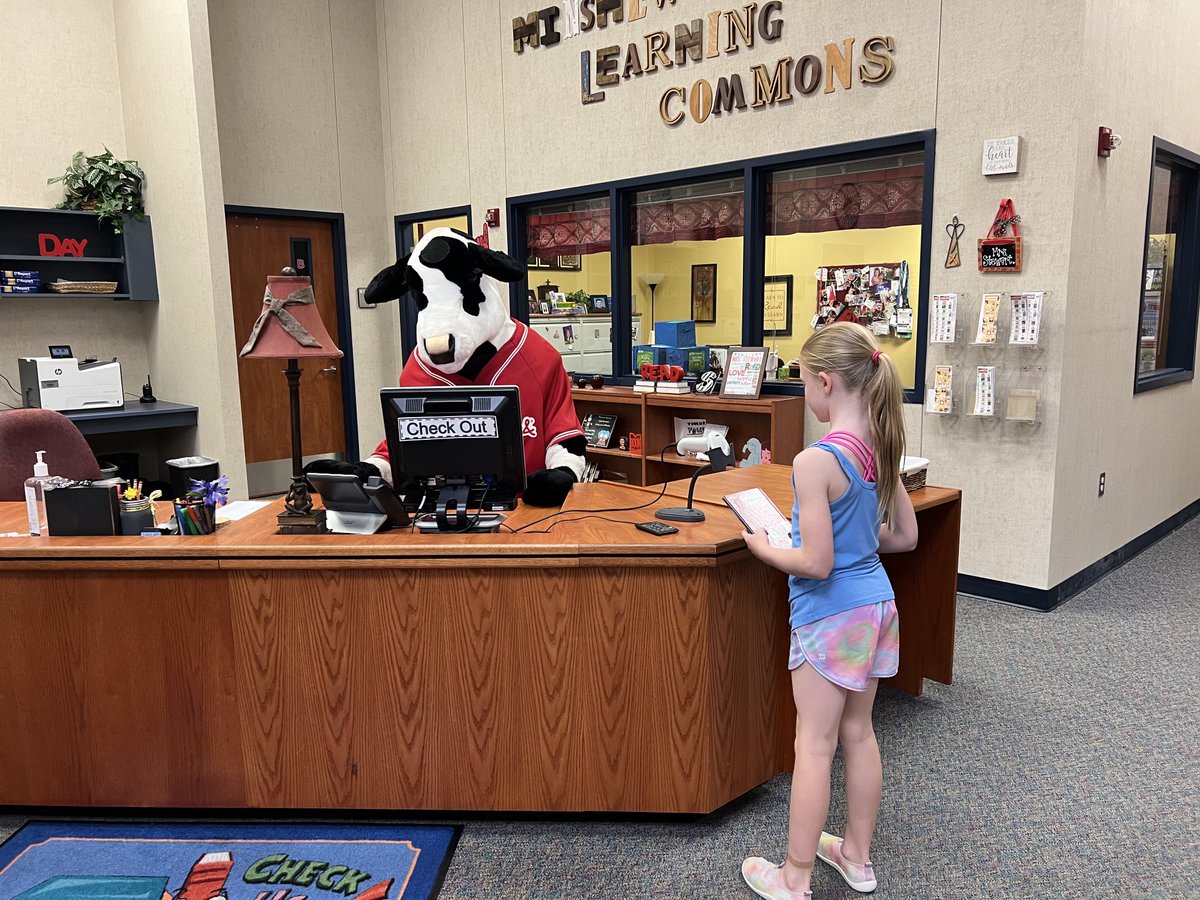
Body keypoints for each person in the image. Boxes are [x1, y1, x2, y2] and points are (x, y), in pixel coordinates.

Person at [740, 322, 918, 899]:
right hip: (875, 605)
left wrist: (765, 546)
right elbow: (902, 538)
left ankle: (793, 877)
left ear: (824, 382)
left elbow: (815, 563)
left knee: (813, 745)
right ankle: (857, 858)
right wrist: (852, 544)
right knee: (859, 733)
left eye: (802, 383)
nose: (802, 396)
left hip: (831, 615)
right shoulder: (881, 446)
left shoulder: (816, 460)